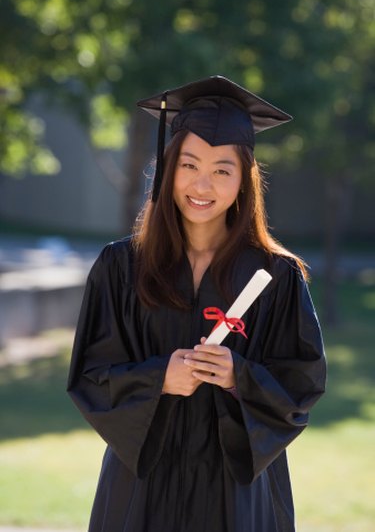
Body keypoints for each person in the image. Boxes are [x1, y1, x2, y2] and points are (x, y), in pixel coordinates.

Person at [67, 75, 326, 532]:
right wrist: (158, 378)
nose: (202, 184)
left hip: (235, 492)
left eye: (222, 170)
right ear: (168, 169)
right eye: (189, 165)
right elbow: (90, 374)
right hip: (143, 488)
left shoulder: (276, 277)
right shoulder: (120, 268)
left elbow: (300, 385)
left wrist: (237, 376)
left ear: (244, 180)